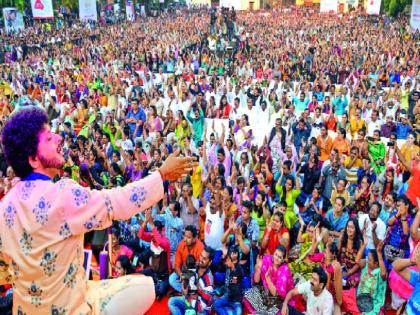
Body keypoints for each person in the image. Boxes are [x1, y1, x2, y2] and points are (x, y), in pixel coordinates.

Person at [0, 107, 196, 314]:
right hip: (73, 309)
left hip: (25, 309)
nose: (58, 138)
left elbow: (5, 272)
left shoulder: (5, 206)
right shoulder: (62, 195)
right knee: (146, 287)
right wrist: (161, 174)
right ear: (33, 159)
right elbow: (115, 203)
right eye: (49, 138)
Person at [168, 246, 215, 315]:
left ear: (210, 262)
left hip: (201, 310)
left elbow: (200, 307)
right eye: (201, 256)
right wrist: (184, 283)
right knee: (171, 302)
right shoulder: (195, 266)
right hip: (191, 298)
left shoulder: (208, 283)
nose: (200, 259)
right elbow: (186, 277)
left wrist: (187, 295)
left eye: (204, 258)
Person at [213, 246, 243, 315]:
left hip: (236, 300)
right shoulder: (228, 266)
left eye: (228, 259)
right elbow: (218, 267)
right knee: (215, 304)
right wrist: (222, 257)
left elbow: (234, 288)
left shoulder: (239, 269)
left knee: (239, 313)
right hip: (227, 297)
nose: (226, 262)